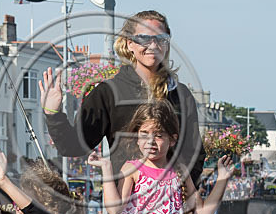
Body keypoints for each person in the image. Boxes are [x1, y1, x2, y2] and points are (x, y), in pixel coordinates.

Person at [39, 10, 206, 186]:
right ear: (129, 44)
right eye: (144, 38)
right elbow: (72, 146)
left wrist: (181, 190)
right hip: (125, 205)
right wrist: (53, 112)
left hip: (171, 205)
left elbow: (195, 153)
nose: (153, 45)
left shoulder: (181, 94)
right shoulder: (107, 93)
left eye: (160, 38)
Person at [88, 101, 231, 214]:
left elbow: (204, 213)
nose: (150, 141)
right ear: (136, 138)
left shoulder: (179, 171)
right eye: (144, 134)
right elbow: (114, 209)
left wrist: (222, 178)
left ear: (172, 140)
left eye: (158, 135)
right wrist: (106, 168)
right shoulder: (133, 169)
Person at [0, 150, 78, 214]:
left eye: (29, 201)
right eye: (20, 201)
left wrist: (3, 182)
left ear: (55, 209)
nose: (21, 209)